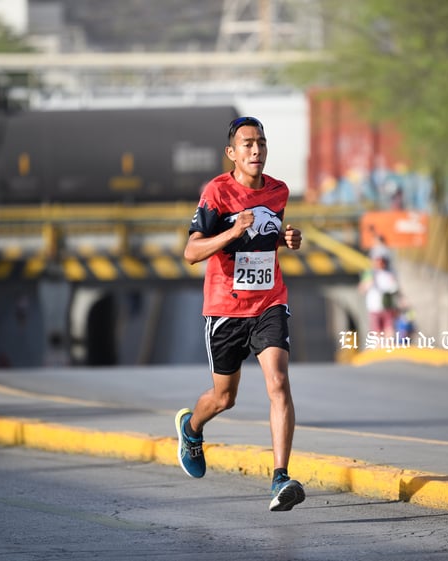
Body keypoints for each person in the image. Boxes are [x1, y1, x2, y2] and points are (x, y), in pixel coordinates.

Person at [175, 116, 305, 512]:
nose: (256, 150)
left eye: (261, 143)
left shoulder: (279, 191)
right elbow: (191, 253)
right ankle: (192, 428)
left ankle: (280, 477)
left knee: (278, 382)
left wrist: (287, 239)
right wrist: (232, 232)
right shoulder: (217, 192)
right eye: (247, 144)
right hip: (225, 308)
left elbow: (268, 237)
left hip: (268, 302)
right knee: (223, 398)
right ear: (232, 153)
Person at [358, 248, 400, 334]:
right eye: (377, 260)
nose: (380, 263)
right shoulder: (369, 273)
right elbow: (361, 289)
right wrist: (368, 283)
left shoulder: (390, 273)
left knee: (389, 331)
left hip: (387, 307)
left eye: (382, 260)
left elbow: (395, 289)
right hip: (374, 308)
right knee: (377, 333)